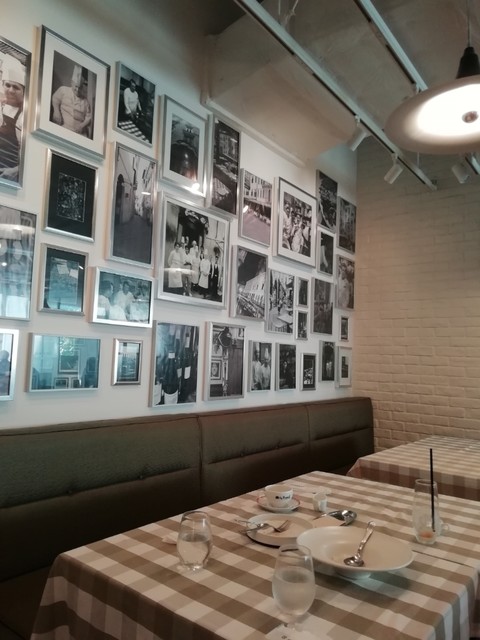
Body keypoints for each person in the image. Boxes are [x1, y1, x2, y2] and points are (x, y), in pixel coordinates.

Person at [0, 57, 25, 181]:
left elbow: (32, 155)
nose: (11, 90)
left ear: (24, 91)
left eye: (16, 87)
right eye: (8, 85)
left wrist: (15, 171)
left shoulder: (24, 117)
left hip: (5, 175)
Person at [51, 65, 92, 137]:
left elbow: (88, 117)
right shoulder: (63, 90)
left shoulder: (85, 101)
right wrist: (56, 111)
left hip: (79, 132)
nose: (77, 90)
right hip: (64, 127)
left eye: (80, 87)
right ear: (71, 82)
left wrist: (82, 126)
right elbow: (55, 99)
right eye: (76, 86)